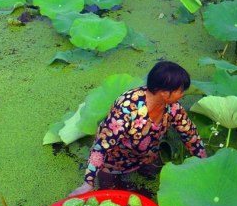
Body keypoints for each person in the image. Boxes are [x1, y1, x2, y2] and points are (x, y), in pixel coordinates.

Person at [69, 61, 207, 196]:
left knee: (152, 183)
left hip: (145, 156)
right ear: (165, 93)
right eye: (180, 90)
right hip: (114, 162)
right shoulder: (127, 109)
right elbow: (101, 147)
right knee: (111, 194)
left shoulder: (173, 107)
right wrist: (88, 182)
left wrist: (204, 162)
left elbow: (190, 134)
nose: (183, 94)